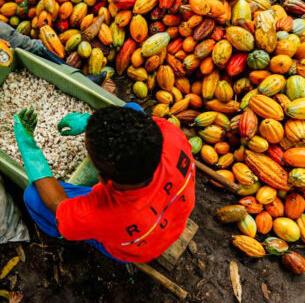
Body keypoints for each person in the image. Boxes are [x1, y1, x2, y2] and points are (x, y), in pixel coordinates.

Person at [13, 104, 195, 263]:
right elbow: (138, 117)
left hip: (133, 250)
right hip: (173, 220)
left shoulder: (104, 214)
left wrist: (28, 147)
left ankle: (59, 232)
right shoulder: (172, 135)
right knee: (132, 108)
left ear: (103, 180)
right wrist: (94, 122)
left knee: (34, 197)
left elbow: (57, 204)